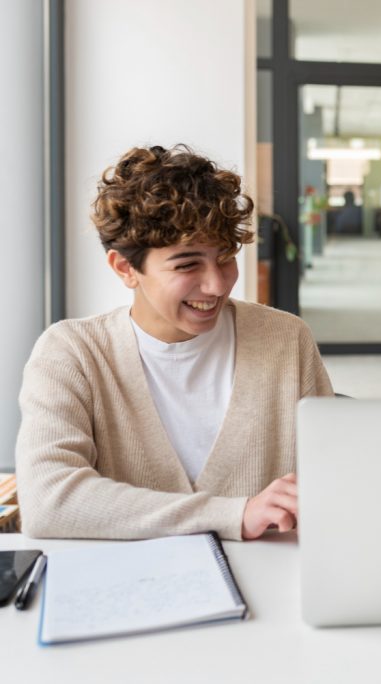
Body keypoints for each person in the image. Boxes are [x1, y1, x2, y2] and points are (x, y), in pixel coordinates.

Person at [16, 145, 334, 541]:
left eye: (225, 257)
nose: (217, 285)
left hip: (272, 587)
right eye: (187, 264)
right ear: (125, 268)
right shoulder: (72, 352)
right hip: (129, 591)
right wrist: (235, 514)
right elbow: (48, 502)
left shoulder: (286, 339)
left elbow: (331, 480)